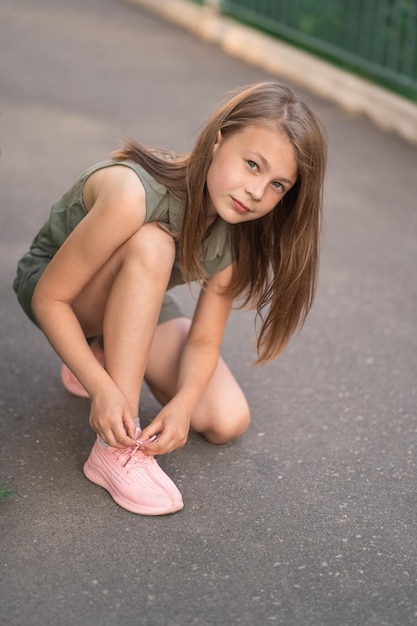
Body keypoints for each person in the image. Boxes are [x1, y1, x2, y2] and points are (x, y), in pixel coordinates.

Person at [13, 81, 327, 516]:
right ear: (218, 139)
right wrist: (102, 389)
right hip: (58, 286)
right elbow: (52, 298)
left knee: (224, 418)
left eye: (277, 185)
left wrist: (181, 406)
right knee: (154, 245)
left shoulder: (239, 236)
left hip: (138, 289)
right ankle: (111, 449)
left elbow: (202, 341)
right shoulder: (133, 195)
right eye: (252, 164)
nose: (257, 192)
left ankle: (102, 347)